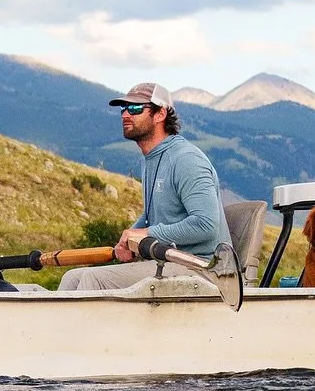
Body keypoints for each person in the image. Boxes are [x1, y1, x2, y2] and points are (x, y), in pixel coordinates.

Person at [59, 81, 231, 291]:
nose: (125, 115)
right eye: (124, 108)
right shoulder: (151, 158)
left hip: (202, 268)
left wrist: (147, 234)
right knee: (72, 277)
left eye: (135, 108)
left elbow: (206, 225)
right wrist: (128, 237)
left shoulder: (186, 159)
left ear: (160, 114)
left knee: (94, 280)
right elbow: (151, 215)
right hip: (168, 262)